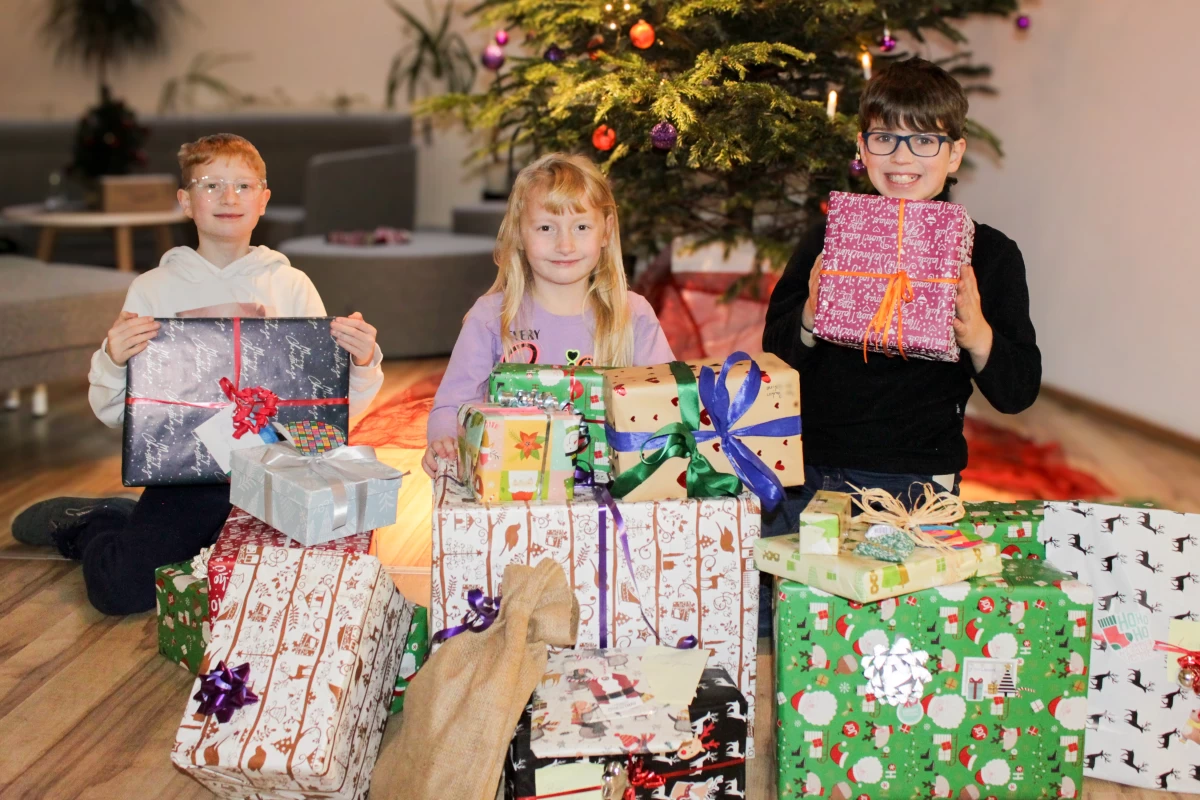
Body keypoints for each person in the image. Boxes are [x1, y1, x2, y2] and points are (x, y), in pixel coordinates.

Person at [10, 133, 385, 615]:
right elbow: (112, 415)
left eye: (243, 186)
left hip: (279, 471)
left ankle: (169, 532)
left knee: (301, 588)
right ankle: (97, 522)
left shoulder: (292, 285)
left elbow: (323, 411)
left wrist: (360, 361)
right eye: (211, 185)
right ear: (185, 202)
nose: (229, 197)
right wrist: (113, 358)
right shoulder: (152, 290)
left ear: (264, 200)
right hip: (186, 478)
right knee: (120, 590)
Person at [763, 56, 1042, 530]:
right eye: (884, 138)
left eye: (924, 140)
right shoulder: (829, 238)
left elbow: (1018, 391)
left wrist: (977, 335)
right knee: (790, 595)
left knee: (898, 600)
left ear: (954, 154)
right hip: (810, 465)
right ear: (863, 148)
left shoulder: (990, 254)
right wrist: (810, 315)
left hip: (916, 480)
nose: (902, 156)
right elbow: (777, 349)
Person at [423, 152, 674, 477]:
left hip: (614, 493)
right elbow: (451, 406)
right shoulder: (490, 318)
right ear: (519, 233)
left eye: (581, 226)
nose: (565, 245)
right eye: (546, 227)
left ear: (607, 231)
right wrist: (445, 439)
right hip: (512, 486)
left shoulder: (633, 315)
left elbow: (668, 404)